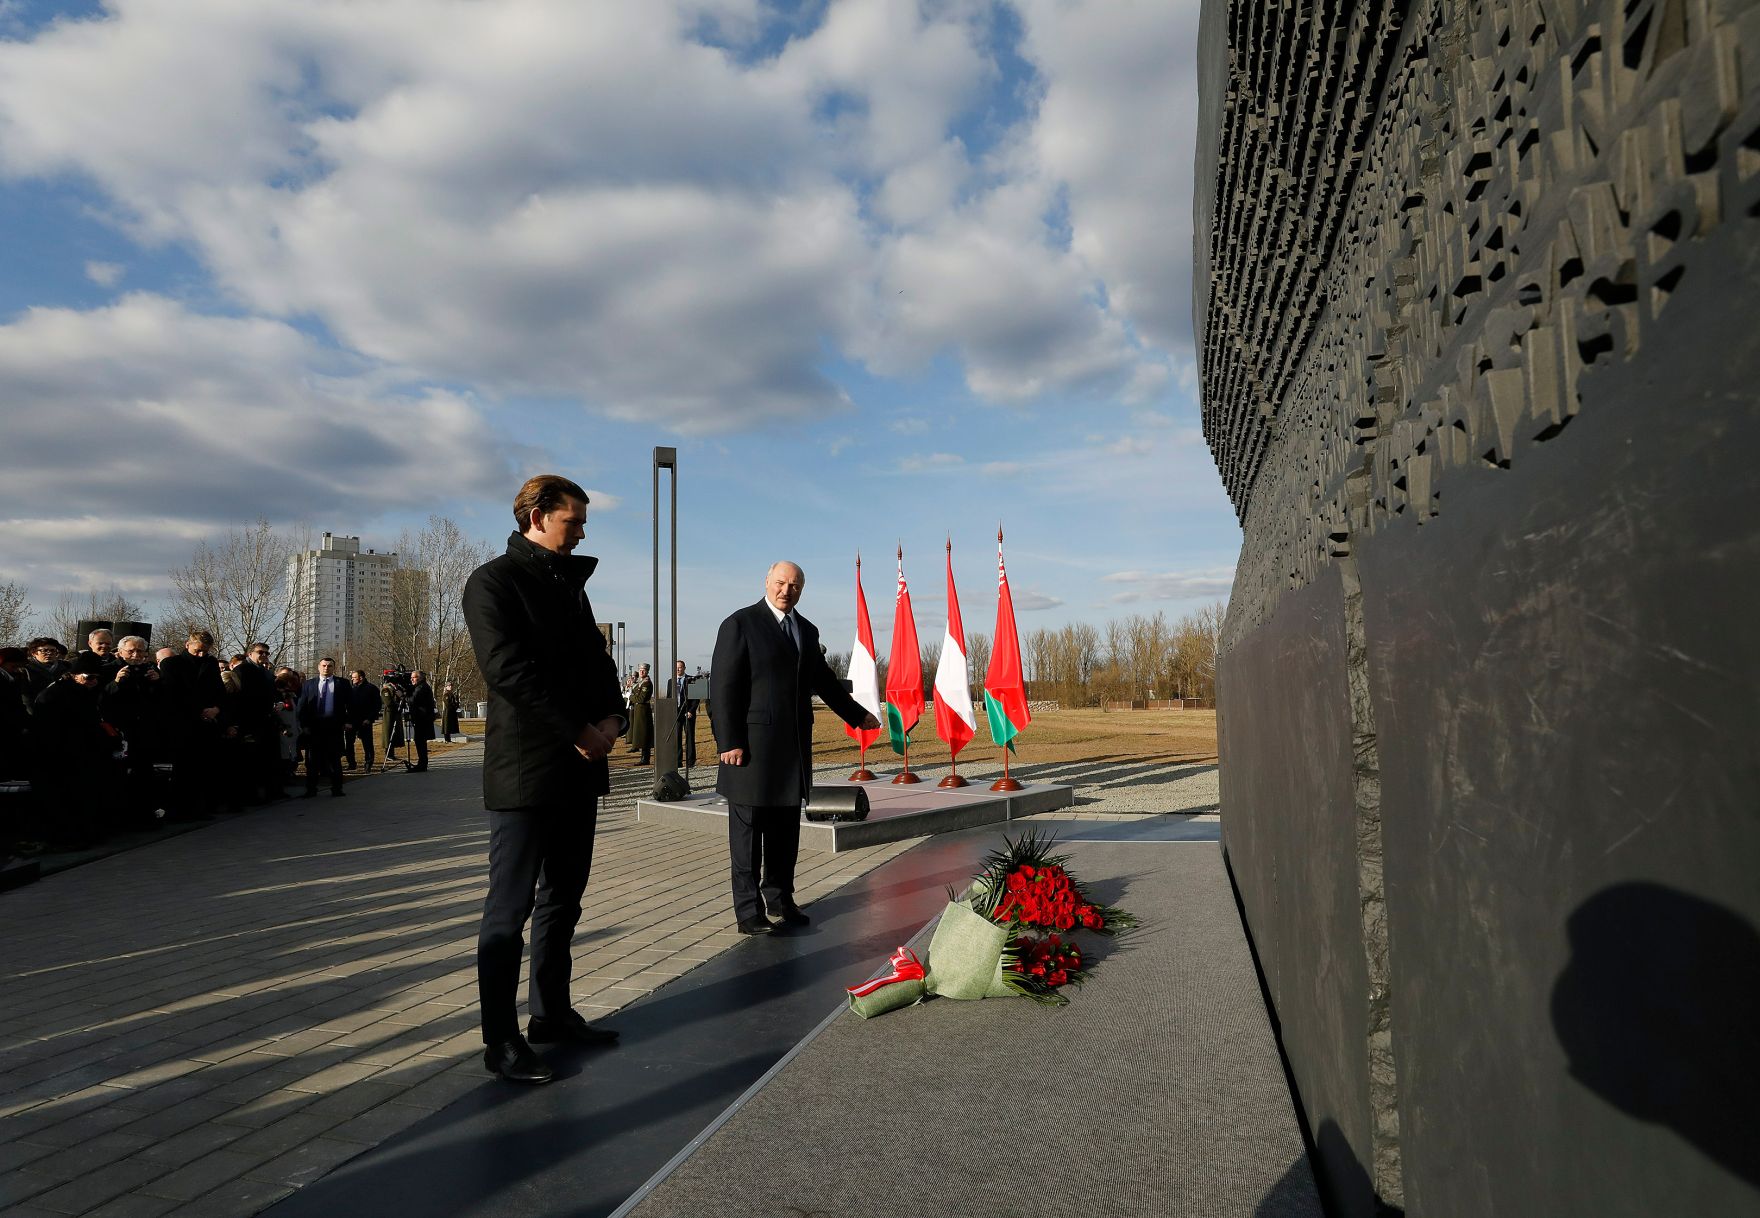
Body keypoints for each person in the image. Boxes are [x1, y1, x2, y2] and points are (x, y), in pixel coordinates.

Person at [462, 473, 627, 1085]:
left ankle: (551, 1016)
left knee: (563, 900)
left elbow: (597, 659)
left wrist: (614, 715)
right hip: (527, 772)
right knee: (509, 910)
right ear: (535, 515)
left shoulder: (570, 586)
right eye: (572, 521)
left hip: (577, 772)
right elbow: (507, 670)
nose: (580, 531)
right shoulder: (493, 582)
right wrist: (576, 730)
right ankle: (500, 1042)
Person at [711, 561, 879, 935]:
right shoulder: (739, 624)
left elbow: (825, 682)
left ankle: (781, 898)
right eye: (780, 583)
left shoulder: (805, 629)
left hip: (792, 752)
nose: (787, 590)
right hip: (749, 752)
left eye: (795, 585)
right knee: (748, 836)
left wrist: (856, 715)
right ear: (766, 582)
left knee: (785, 833)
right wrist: (730, 740)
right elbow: (723, 688)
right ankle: (748, 910)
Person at [157, 630, 226, 820]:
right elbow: (173, 695)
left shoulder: (210, 663)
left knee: (204, 768)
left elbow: (219, 690)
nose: (202, 654)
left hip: (207, 722)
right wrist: (199, 712)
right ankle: (182, 810)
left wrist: (216, 709)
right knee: (184, 770)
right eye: (198, 650)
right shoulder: (172, 664)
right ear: (188, 645)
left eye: (205, 651)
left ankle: (201, 807)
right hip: (183, 724)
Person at [296, 657, 349, 797]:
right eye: (324, 665)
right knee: (312, 760)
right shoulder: (309, 684)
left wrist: (348, 721)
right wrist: (304, 725)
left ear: (334, 668)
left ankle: (337, 788)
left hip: (334, 727)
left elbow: (351, 704)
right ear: (318, 667)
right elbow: (302, 707)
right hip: (314, 728)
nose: (326, 668)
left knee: (334, 760)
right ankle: (311, 789)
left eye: (330, 666)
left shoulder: (342, 684)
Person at [344, 670, 381, 773]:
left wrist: (369, 719)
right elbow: (345, 706)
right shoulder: (350, 689)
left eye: (354, 677)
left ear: (361, 677)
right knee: (349, 743)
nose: (352, 679)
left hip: (365, 721)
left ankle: (368, 763)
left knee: (367, 743)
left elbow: (377, 706)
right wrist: (346, 721)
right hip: (351, 721)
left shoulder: (371, 689)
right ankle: (351, 763)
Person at [406, 670, 437, 771]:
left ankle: (422, 765)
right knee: (420, 741)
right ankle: (422, 764)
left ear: (420, 678)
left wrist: (402, 696)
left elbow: (413, 700)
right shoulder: (420, 686)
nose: (411, 679)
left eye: (413, 677)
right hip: (421, 718)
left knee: (420, 741)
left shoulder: (422, 687)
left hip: (422, 719)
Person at [670, 659, 698, 769]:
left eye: (680, 667)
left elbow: (696, 698)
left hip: (688, 713)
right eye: (676, 667)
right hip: (675, 715)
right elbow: (668, 698)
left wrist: (691, 711)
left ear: (684, 668)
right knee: (677, 738)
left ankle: (690, 762)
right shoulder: (670, 681)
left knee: (689, 737)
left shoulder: (691, 680)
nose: (677, 669)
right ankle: (678, 761)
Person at [627, 663, 653, 765]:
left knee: (644, 735)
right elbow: (634, 693)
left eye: (644, 670)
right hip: (638, 711)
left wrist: (630, 697)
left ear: (647, 671)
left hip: (643, 712)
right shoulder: (640, 683)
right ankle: (643, 757)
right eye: (640, 670)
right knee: (640, 735)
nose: (642, 672)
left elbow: (641, 698)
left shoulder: (646, 683)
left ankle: (645, 759)